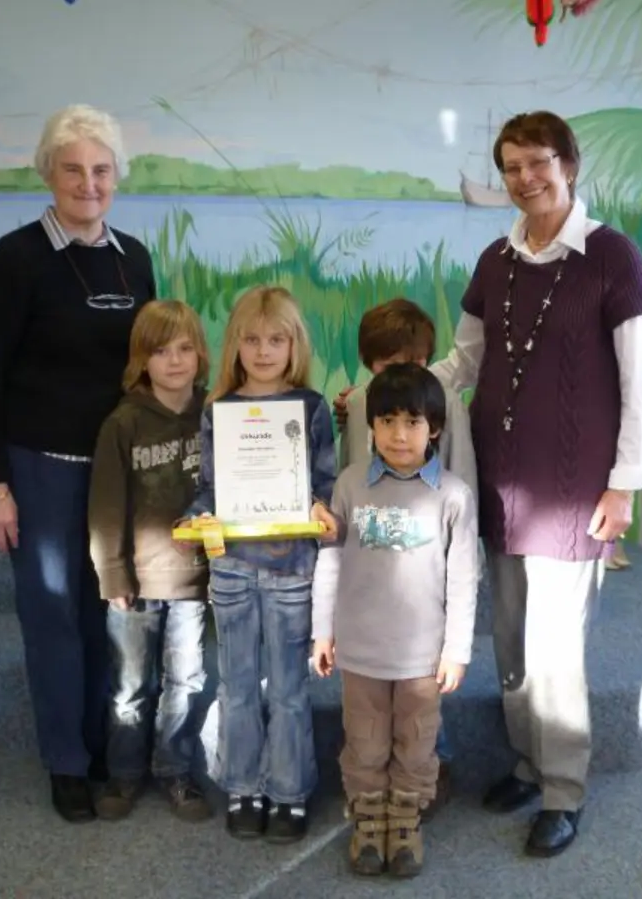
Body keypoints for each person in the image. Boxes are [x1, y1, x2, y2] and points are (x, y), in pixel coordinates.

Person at [436, 111, 642, 857]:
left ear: (569, 163)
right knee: (508, 641)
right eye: (512, 167)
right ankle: (529, 767)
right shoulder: (495, 261)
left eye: (538, 163)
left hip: (572, 492)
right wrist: (394, 391)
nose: (525, 179)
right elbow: (462, 363)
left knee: (556, 650)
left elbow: (641, 384)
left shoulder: (611, 256)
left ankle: (564, 791)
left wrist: (623, 485)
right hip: (501, 483)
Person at [0, 104, 157, 823]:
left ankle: (103, 745)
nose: (88, 182)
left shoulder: (133, 257)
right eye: (72, 169)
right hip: (39, 467)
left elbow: (152, 365)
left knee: (105, 610)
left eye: (101, 169)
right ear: (48, 173)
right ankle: (66, 762)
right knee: (51, 619)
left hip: (115, 471)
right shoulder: (15, 260)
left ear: (117, 176)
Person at [182, 285, 339, 843]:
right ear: (236, 345)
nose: (264, 350)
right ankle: (243, 785)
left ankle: (289, 791)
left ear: (294, 344)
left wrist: (324, 511)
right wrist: (199, 518)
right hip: (231, 571)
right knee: (239, 684)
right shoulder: (218, 411)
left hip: (292, 569)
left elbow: (323, 485)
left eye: (277, 339)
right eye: (252, 339)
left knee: (290, 690)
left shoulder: (312, 407)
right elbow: (207, 489)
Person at [313, 363, 479, 878]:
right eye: (387, 421)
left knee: (416, 739)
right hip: (362, 650)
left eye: (412, 422)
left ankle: (404, 822)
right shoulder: (350, 485)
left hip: (422, 658)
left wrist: (457, 650)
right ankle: (368, 820)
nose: (399, 434)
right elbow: (331, 559)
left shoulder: (453, 496)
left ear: (435, 428)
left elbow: (463, 578)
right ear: (371, 427)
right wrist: (323, 631)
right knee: (363, 739)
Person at [335, 297, 475, 816]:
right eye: (388, 365)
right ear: (371, 365)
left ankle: (427, 772)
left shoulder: (446, 405)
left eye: (412, 364)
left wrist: (460, 536)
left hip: (429, 553)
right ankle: (373, 788)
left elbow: (461, 473)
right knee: (377, 690)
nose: (401, 376)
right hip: (374, 559)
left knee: (427, 674)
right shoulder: (363, 402)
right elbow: (354, 467)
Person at [87, 300, 213, 823]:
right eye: (161, 351)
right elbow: (106, 507)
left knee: (186, 683)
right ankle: (124, 774)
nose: (175, 361)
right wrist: (112, 573)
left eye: (185, 349)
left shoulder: (214, 414)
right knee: (130, 688)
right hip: (137, 583)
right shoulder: (123, 423)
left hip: (196, 582)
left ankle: (175, 771)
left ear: (200, 354)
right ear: (142, 359)